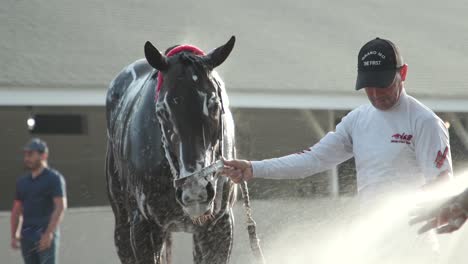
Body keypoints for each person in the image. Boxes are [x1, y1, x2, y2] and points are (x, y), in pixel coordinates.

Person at [223, 38, 452, 261]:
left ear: (402, 74)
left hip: (414, 249)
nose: (374, 94)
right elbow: (312, 160)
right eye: (368, 86)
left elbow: (442, 185)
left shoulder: (425, 123)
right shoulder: (357, 120)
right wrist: (253, 169)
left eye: (382, 84)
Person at [10, 138, 67, 264]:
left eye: (30, 154)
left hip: (45, 237)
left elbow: (60, 207)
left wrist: (48, 234)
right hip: (27, 237)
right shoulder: (22, 182)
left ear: (43, 155)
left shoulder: (54, 179)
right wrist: (14, 235)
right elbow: (17, 210)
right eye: (25, 154)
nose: (27, 158)